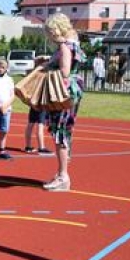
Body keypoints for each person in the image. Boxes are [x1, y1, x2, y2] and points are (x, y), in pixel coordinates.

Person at [41, 13, 86, 192]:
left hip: (63, 92)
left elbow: (65, 72)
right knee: (63, 132)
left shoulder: (65, 46)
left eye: (50, 32)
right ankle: (62, 174)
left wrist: (47, 69)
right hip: (71, 91)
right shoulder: (73, 42)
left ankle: (63, 176)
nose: (49, 36)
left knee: (60, 133)